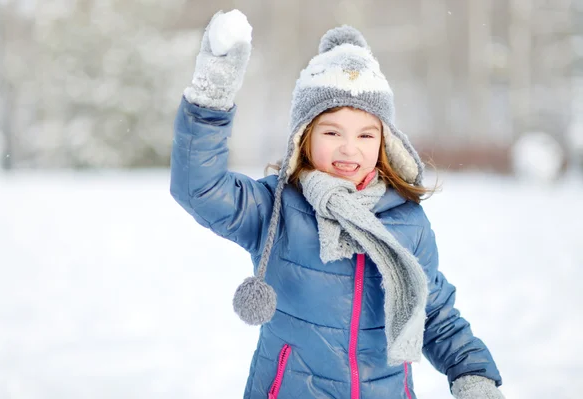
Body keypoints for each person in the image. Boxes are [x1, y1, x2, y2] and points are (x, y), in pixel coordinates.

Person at [170, 10, 504, 399]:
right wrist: (213, 95)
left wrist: (471, 372)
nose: (350, 148)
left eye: (366, 134)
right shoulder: (275, 210)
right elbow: (199, 188)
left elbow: (433, 310)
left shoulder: (407, 221)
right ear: (304, 137)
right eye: (332, 132)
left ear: (385, 142)